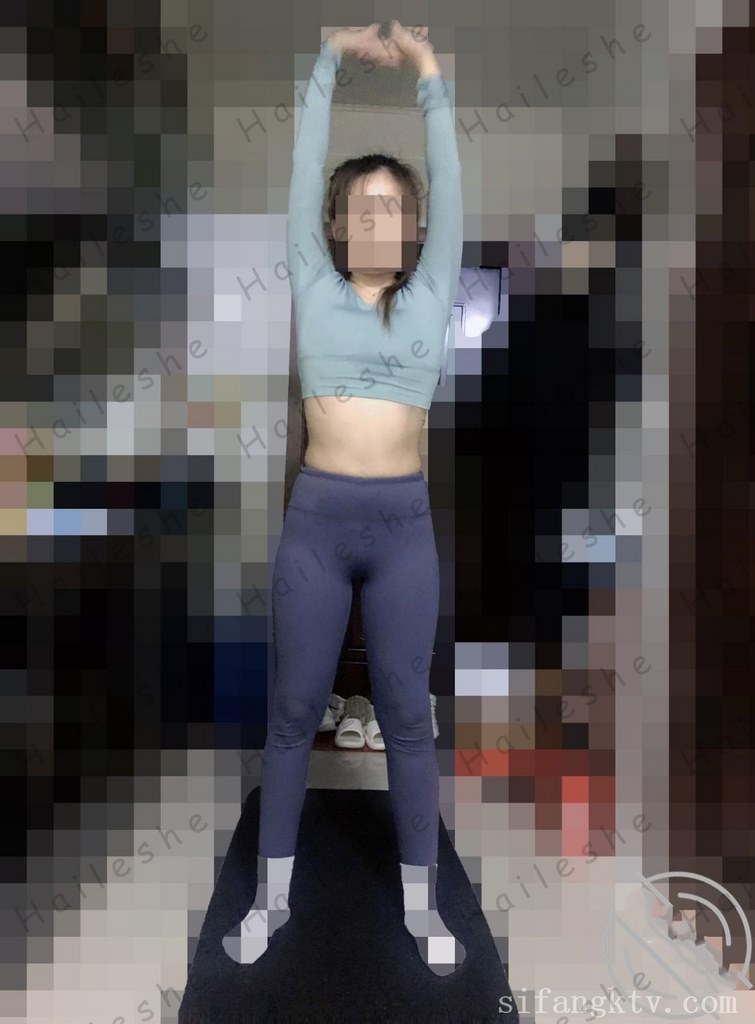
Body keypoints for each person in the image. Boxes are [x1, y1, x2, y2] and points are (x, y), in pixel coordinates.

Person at [223, 21, 465, 975]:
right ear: (334, 226)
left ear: (412, 230)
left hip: (402, 530)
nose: (376, 221)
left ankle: (423, 907)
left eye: (392, 208)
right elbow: (301, 168)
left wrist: (428, 71)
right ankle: (269, 899)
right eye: (360, 208)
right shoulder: (314, 288)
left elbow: (451, 183)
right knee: (292, 713)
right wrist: (325, 62)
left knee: (407, 717)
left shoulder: (430, 292)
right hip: (317, 527)